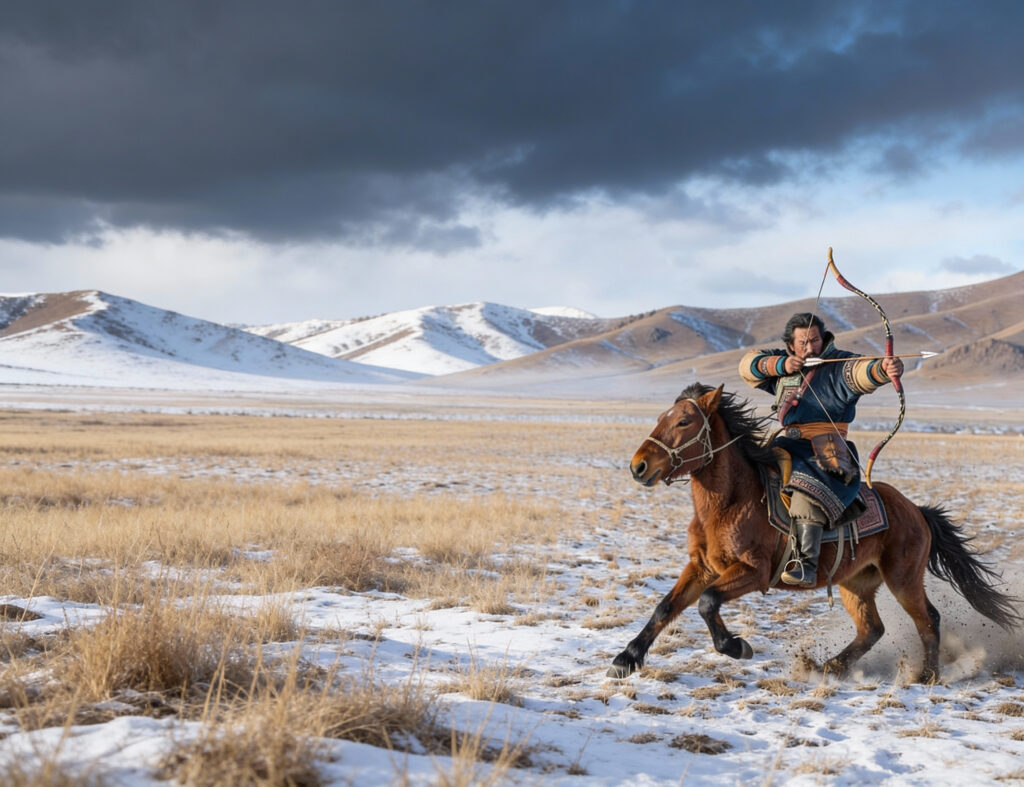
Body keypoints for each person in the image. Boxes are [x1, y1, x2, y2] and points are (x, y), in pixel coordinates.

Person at [738, 313, 904, 586]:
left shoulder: (839, 365)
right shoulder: (785, 368)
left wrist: (884, 369)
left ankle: (807, 565)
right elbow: (747, 366)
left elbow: (861, 373)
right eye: (802, 343)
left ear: (823, 338)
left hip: (826, 451)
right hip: (786, 446)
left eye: (814, 340)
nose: (810, 347)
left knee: (806, 491)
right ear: (790, 346)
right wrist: (781, 364)